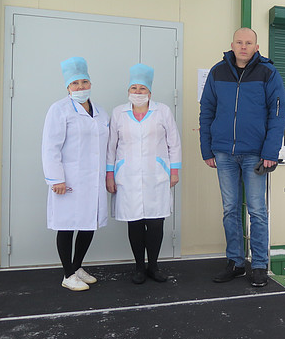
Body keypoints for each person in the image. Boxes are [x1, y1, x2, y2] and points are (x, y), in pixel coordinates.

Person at [199, 27, 285, 287]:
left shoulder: (268, 73)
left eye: (249, 43)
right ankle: (236, 262)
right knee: (230, 209)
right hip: (224, 152)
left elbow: (278, 114)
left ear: (256, 47)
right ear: (232, 45)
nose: (244, 47)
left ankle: (259, 265)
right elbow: (207, 111)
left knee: (257, 211)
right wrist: (207, 149)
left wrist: (271, 151)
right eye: (239, 42)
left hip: (255, 154)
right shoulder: (218, 72)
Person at [106, 64, 182, 284]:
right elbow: (111, 146)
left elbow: (174, 142)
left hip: (156, 175)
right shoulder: (119, 113)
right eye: (134, 88)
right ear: (128, 90)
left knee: (156, 222)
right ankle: (139, 267)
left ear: (150, 92)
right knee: (135, 223)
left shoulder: (162, 111)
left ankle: (154, 266)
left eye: (142, 88)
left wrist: (174, 171)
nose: (138, 92)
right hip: (127, 176)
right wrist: (110, 174)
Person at [42, 57, 109, 291]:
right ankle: (67, 274)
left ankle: (77, 266)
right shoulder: (59, 109)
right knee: (67, 224)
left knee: (88, 223)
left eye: (84, 82)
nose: (80, 87)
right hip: (69, 179)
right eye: (75, 83)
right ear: (68, 87)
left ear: (90, 83)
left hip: (93, 179)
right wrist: (56, 178)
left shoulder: (100, 112)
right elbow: (50, 147)